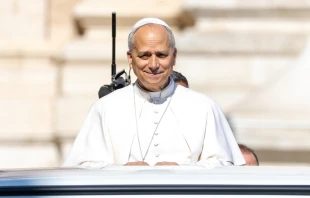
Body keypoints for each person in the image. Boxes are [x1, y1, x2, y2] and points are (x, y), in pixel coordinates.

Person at [63, 18, 245, 168]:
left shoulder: (204, 107)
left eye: (162, 55)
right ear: (130, 58)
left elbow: (226, 165)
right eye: (144, 55)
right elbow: (81, 167)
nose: (153, 64)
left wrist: (182, 170)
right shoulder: (105, 108)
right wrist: (122, 170)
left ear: (174, 56)